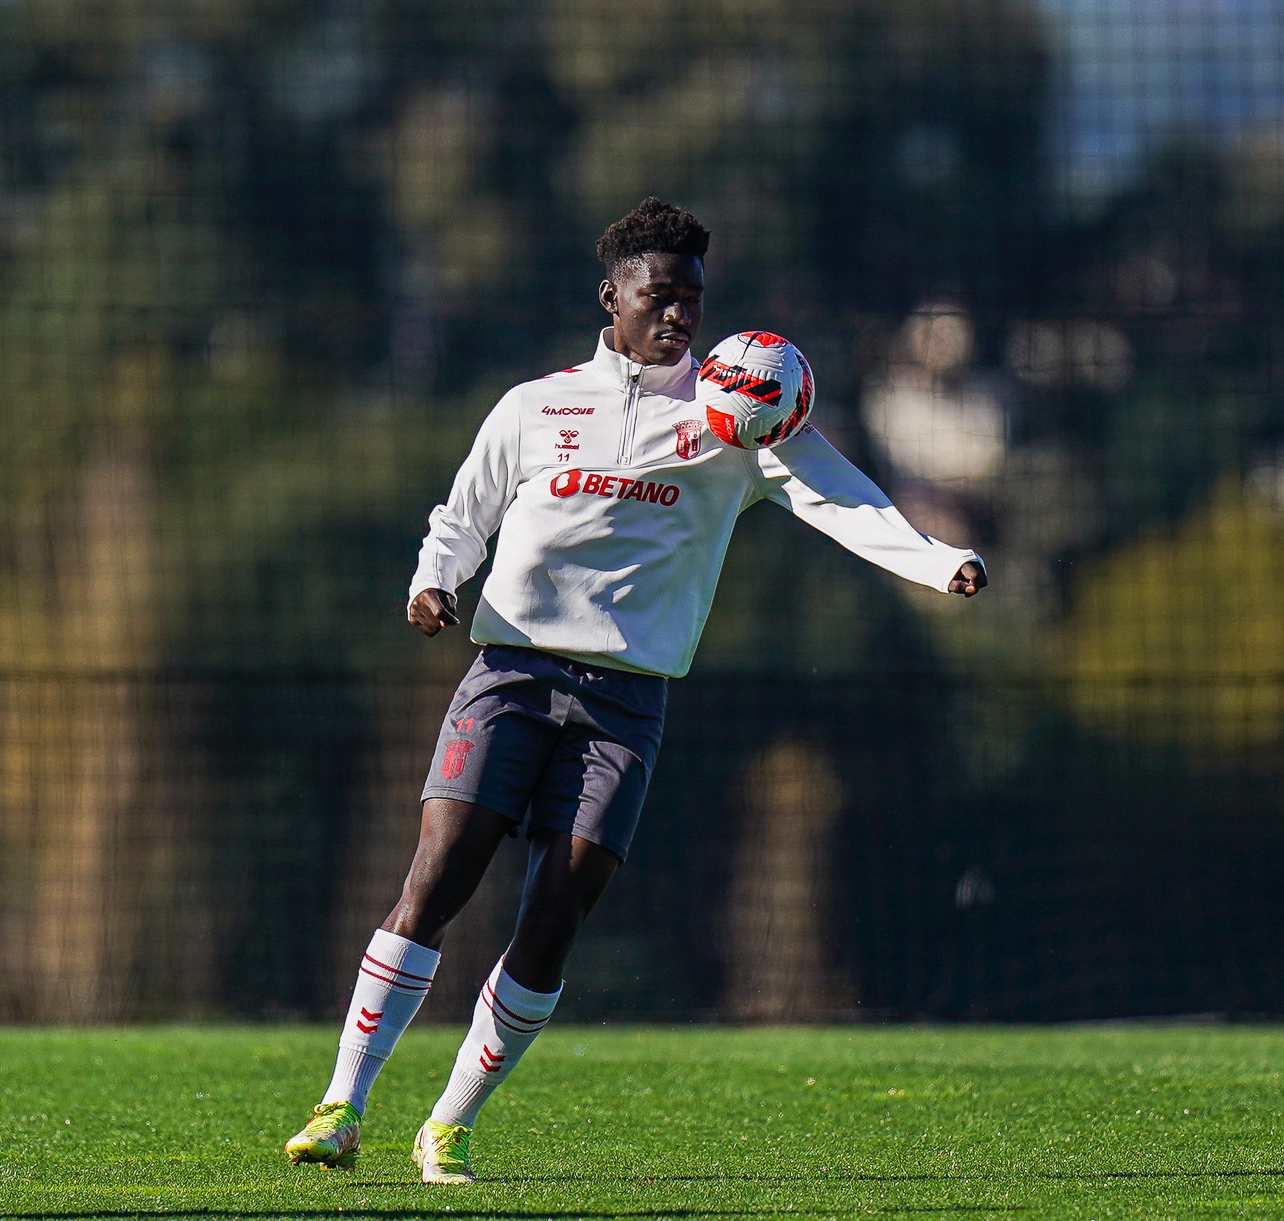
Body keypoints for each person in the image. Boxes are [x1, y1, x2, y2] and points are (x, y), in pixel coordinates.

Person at [283, 197, 987, 1183]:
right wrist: (430, 581)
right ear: (610, 296)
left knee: (557, 910)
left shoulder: (736, 411)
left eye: (692, 300)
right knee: (438, 877)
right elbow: (464, 512)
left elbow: (841, 497)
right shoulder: (535, 406)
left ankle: (447, 1121)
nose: (679, 317)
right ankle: (340, 1105)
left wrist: (934, 560)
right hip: (510, 672)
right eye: (660, 297)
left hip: (624, 701)